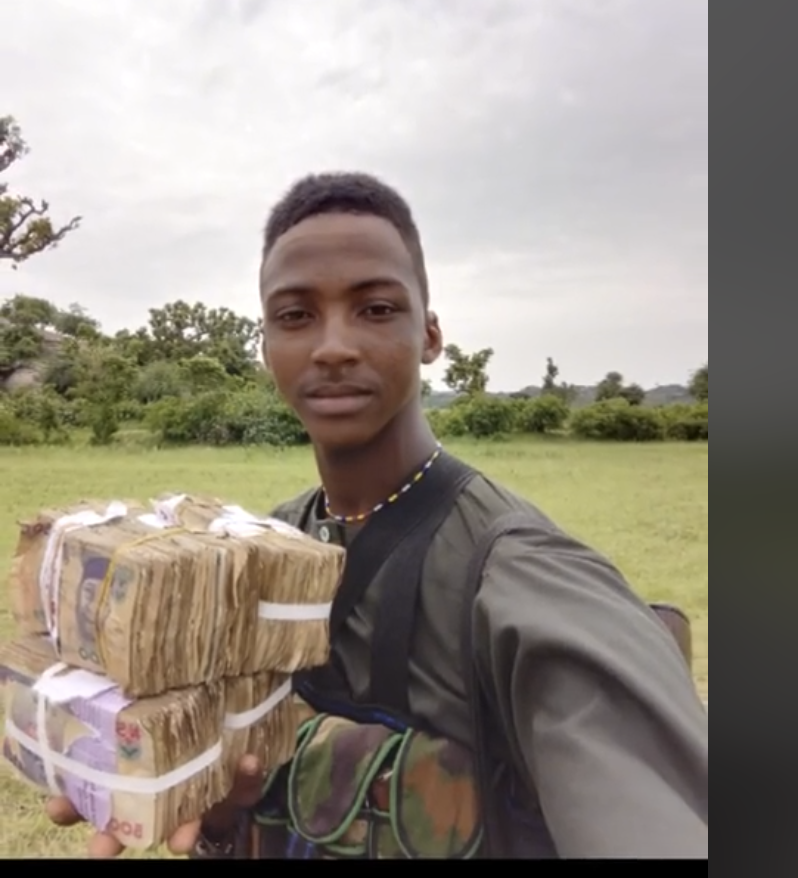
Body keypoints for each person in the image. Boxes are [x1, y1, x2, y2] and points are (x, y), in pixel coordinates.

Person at [45, 172, 708, 858]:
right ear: (267, 345)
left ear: (429, 334)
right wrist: (216, 809)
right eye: (296, 316)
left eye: (376, 308)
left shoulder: (520, 579)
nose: (333, 346)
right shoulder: (261, 557)